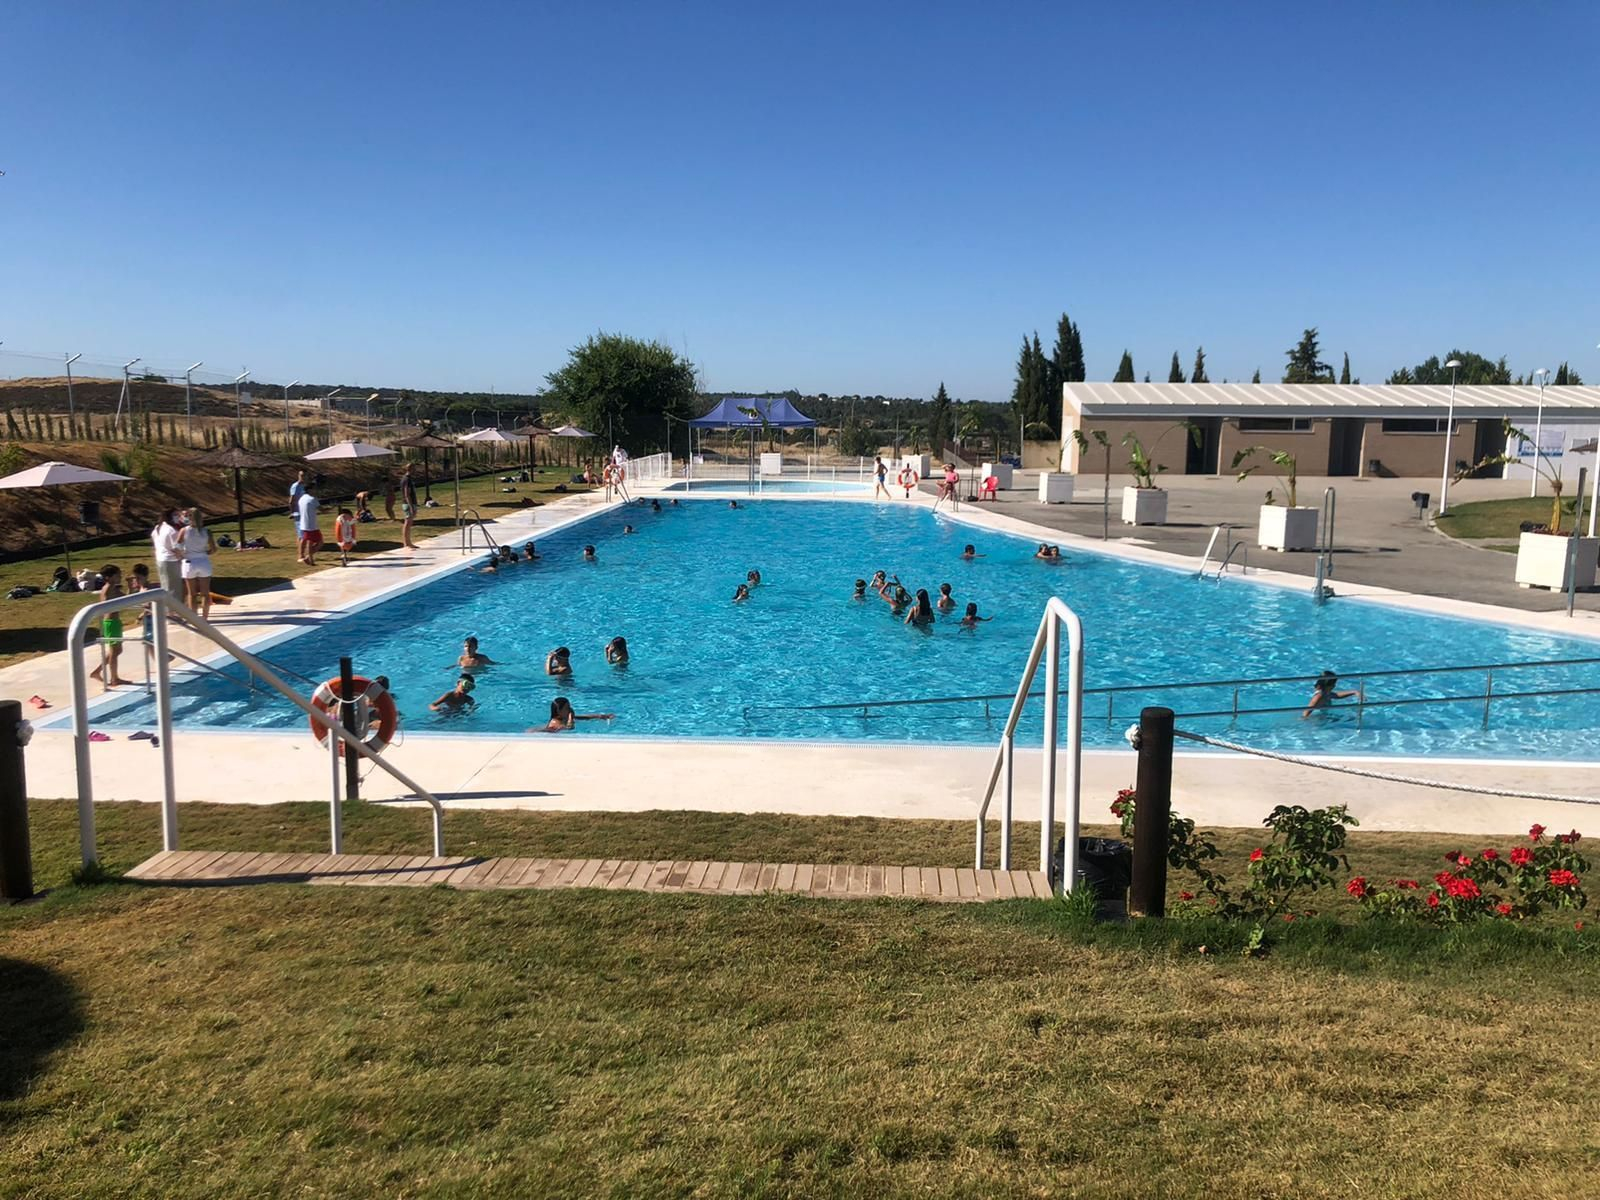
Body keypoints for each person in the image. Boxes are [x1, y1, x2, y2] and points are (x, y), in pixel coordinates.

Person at [89, 565, 130, 687]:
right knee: (114, 651)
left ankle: (97, 672)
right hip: (110, 623)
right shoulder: (107, 589)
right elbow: (106, 604)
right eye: (117, 575)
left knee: (117, 650)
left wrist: (130, 587)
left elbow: (127, 598)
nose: (120, 577)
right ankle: (114, 678)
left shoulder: (113, 588)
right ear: (108, 577)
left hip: (115, 622)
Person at [181, 507, 217, 618]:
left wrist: (183, 553)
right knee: (205, 593)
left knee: (192, 593)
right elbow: (213, 549)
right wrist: (205, 552)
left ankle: (194, 618)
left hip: (189, 562)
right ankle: (205, 618)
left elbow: (176, 546)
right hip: (203, 561)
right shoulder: (206, 531)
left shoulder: (184, 531)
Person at [152, 510, 185, 594]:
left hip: (160, 560)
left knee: (165, 585)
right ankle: (174, 606)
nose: (178, 516)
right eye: (175, 514)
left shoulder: (158, 528)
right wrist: (182, 558)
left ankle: (167, 605)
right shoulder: (172, 531)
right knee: (175, 587)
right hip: (171, 561)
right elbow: (175, 548)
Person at [536, 696, 613, 732]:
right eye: (567, 708)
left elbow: (583, 717)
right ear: (559, 711)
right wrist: (570, 722)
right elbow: (569, 728)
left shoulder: (563, 717)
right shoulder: (555, 723)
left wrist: (601, 716)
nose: (570, 709)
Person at [296, 482, 322, 566]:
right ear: (309, 489)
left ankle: (301, 556)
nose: (315, 491)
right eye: (313, 489)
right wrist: (333, 507)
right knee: (319, 542)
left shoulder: (301, 499)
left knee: (304, 539)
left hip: (303, 523)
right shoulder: (312, 499)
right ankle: (309, 558)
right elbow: (322, 510)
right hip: (312, 525)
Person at [400, 464, 418, 550]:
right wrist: (411, 506)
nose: (415, 470)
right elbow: (407, 494)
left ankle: (408, 542)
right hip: (408, 504)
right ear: (410, 469)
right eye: (414, 468)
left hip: (410, 503)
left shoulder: (408, 479)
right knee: (407, 522)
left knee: (409, 523)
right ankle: (406, 543)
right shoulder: (407, 479)